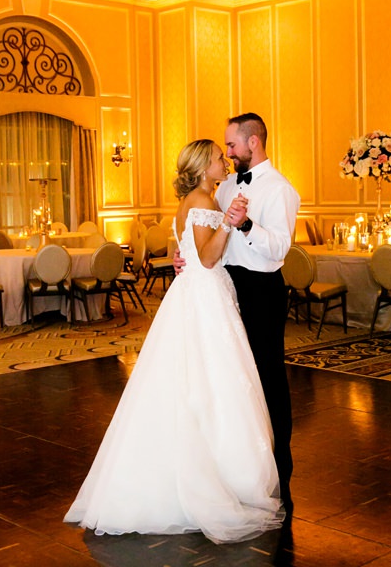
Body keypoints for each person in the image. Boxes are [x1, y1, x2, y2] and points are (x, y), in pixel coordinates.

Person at [65, 137, 281, 540]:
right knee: (212, 383)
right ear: (203, 167)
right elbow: (209, 256)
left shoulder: (196, 200)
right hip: (204, 297)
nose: (225, 162)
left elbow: (184, 251)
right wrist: (230, 225)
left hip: (196, 293)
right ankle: (215, 474)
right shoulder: (202, 200)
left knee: (195, 382)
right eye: (219, 158)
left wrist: (207, 239)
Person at [217, 112, 300, 531]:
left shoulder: (281, 189)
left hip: (263, 289)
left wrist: (247, 224)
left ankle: (279, 465)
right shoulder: (227, 185)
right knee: (234, 376)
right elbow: (213, 234)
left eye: (232, 145)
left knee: (268, 376)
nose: (227, 152)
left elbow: (280, 247)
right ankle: (239, 460)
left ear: (254, 142)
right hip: (227, 285)